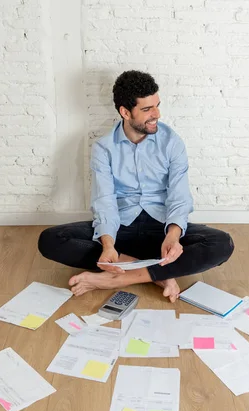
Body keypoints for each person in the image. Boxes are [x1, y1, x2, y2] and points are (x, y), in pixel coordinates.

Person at [38, 70, 234, 302]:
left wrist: (173, 236)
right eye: (146, 109)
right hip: (122, 229)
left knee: (221, 243)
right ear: (125, 112)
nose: (156, 114)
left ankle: (120, 277)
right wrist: (108, 246)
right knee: (51, 239)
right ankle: (156, 273)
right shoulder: (104, 148)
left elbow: (179, 196)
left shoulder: (172, 142)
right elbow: (105, 201)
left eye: (157, 106)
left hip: (161, 230)